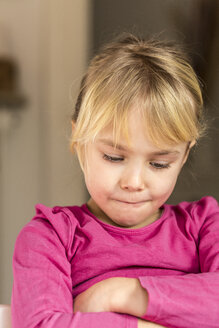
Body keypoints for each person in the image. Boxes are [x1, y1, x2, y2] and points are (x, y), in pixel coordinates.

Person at [11, 34, 219, 328]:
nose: (134, 182)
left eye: (159, 163)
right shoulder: (51, 237)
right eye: (114, 157)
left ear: (185, 155)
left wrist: (122, 294)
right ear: (78, 139)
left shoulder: (204, 226)